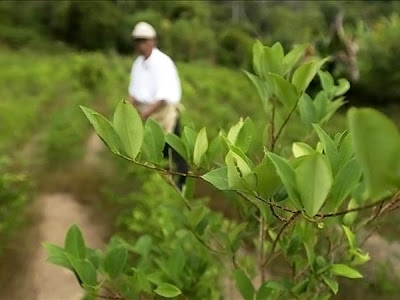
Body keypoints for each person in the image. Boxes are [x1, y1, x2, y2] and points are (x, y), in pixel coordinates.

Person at [128, 21, 188, 189]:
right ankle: (161, 183)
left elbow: (162, 97)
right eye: (138, 41)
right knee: (155, 150)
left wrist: (144, 114)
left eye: (145, 40)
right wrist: (126, 110)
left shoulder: (162, 62)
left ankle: (182, 184)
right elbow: (134, 92)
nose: (141, 45)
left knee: (174, 150)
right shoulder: (138, 64)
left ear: (153, 41)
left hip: (164, 112)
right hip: (146, 112)